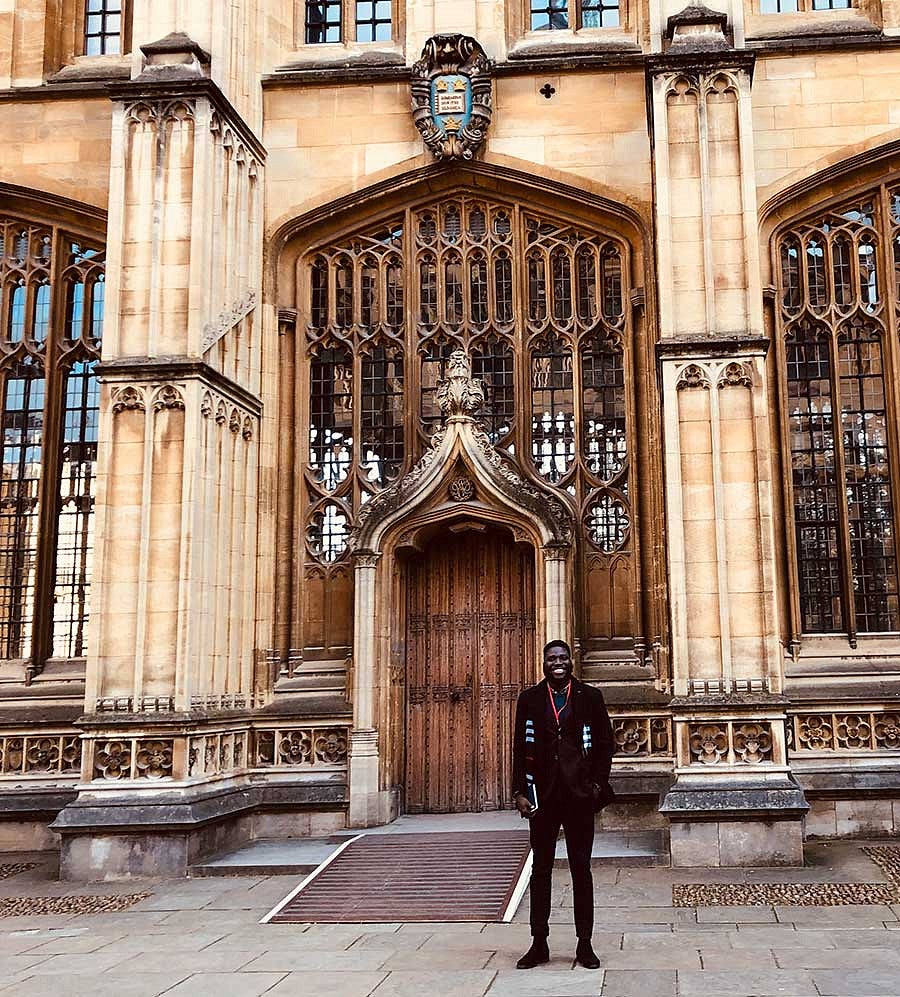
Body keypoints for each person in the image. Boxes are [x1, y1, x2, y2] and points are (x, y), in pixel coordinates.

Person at [512, 639, 615, 970]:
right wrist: (519, 791)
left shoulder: (590, 697)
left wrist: (597, 785)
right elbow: (518, 748)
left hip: (579, 797)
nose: (558, 663)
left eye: (563, 658)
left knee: (581, 871)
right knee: (540, 871)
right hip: (543, 798)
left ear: (572, 662)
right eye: (552, 659)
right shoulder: (529, 699)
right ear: (543, 664)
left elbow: (604, 744)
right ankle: (538, 943)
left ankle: (584, 945)